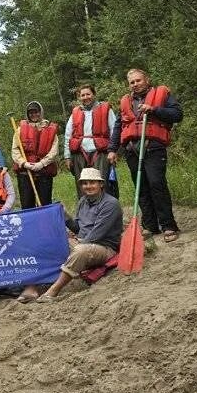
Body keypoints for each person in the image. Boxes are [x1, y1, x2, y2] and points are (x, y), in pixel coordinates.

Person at [108, 68, 183, 242]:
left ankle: (168, 225)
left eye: (138, 80)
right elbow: (119, 126)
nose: (135, 84)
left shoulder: (162, 94)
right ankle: (150, 226)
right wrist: (113, 149)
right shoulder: (126, 101)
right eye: (132, 82)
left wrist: (154, 110)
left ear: (147, 80)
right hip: (132, 150)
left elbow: (177, 114)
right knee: (141, 188)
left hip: (153, 148)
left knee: (157, 184)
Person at [37, 168, 123, 302]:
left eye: (92, 182)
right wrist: (65, 216)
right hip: (83, 242)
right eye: (85, 183)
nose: (88, 186)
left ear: (101, 184)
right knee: (48, 242)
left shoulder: (110, 204)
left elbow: (97, 234)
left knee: (80, 251)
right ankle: (34, 287)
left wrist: (77, 244)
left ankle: (53, 291)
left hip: (105, 248)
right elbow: (78, 229)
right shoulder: (83, 201)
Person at [64, 84, 118, 199]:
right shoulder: (75, 112)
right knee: (82, 185)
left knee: (101, 183)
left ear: (93, 94)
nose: (85, 97)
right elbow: (68, 135)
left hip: (101, 152)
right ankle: (85, 212)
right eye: (82, 95)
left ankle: (105, 211)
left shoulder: (105, 109)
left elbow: (114, 130)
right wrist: (67, 157)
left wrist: (113, 151)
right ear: (79, 97)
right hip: (80, 153)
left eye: (88, 94)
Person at [11, 101, 59, 209]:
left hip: (44, 172)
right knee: (27, 204)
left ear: (40, 112)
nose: (34, 115)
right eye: (31, 113)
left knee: (44, 204)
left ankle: (44, 225)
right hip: (25, 172)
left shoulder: (49, 129)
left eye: (36, 112)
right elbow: (15, 150)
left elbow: (53, 151)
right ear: (28, 114)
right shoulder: (19, 130)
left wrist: (41, 164)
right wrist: (24, 163)